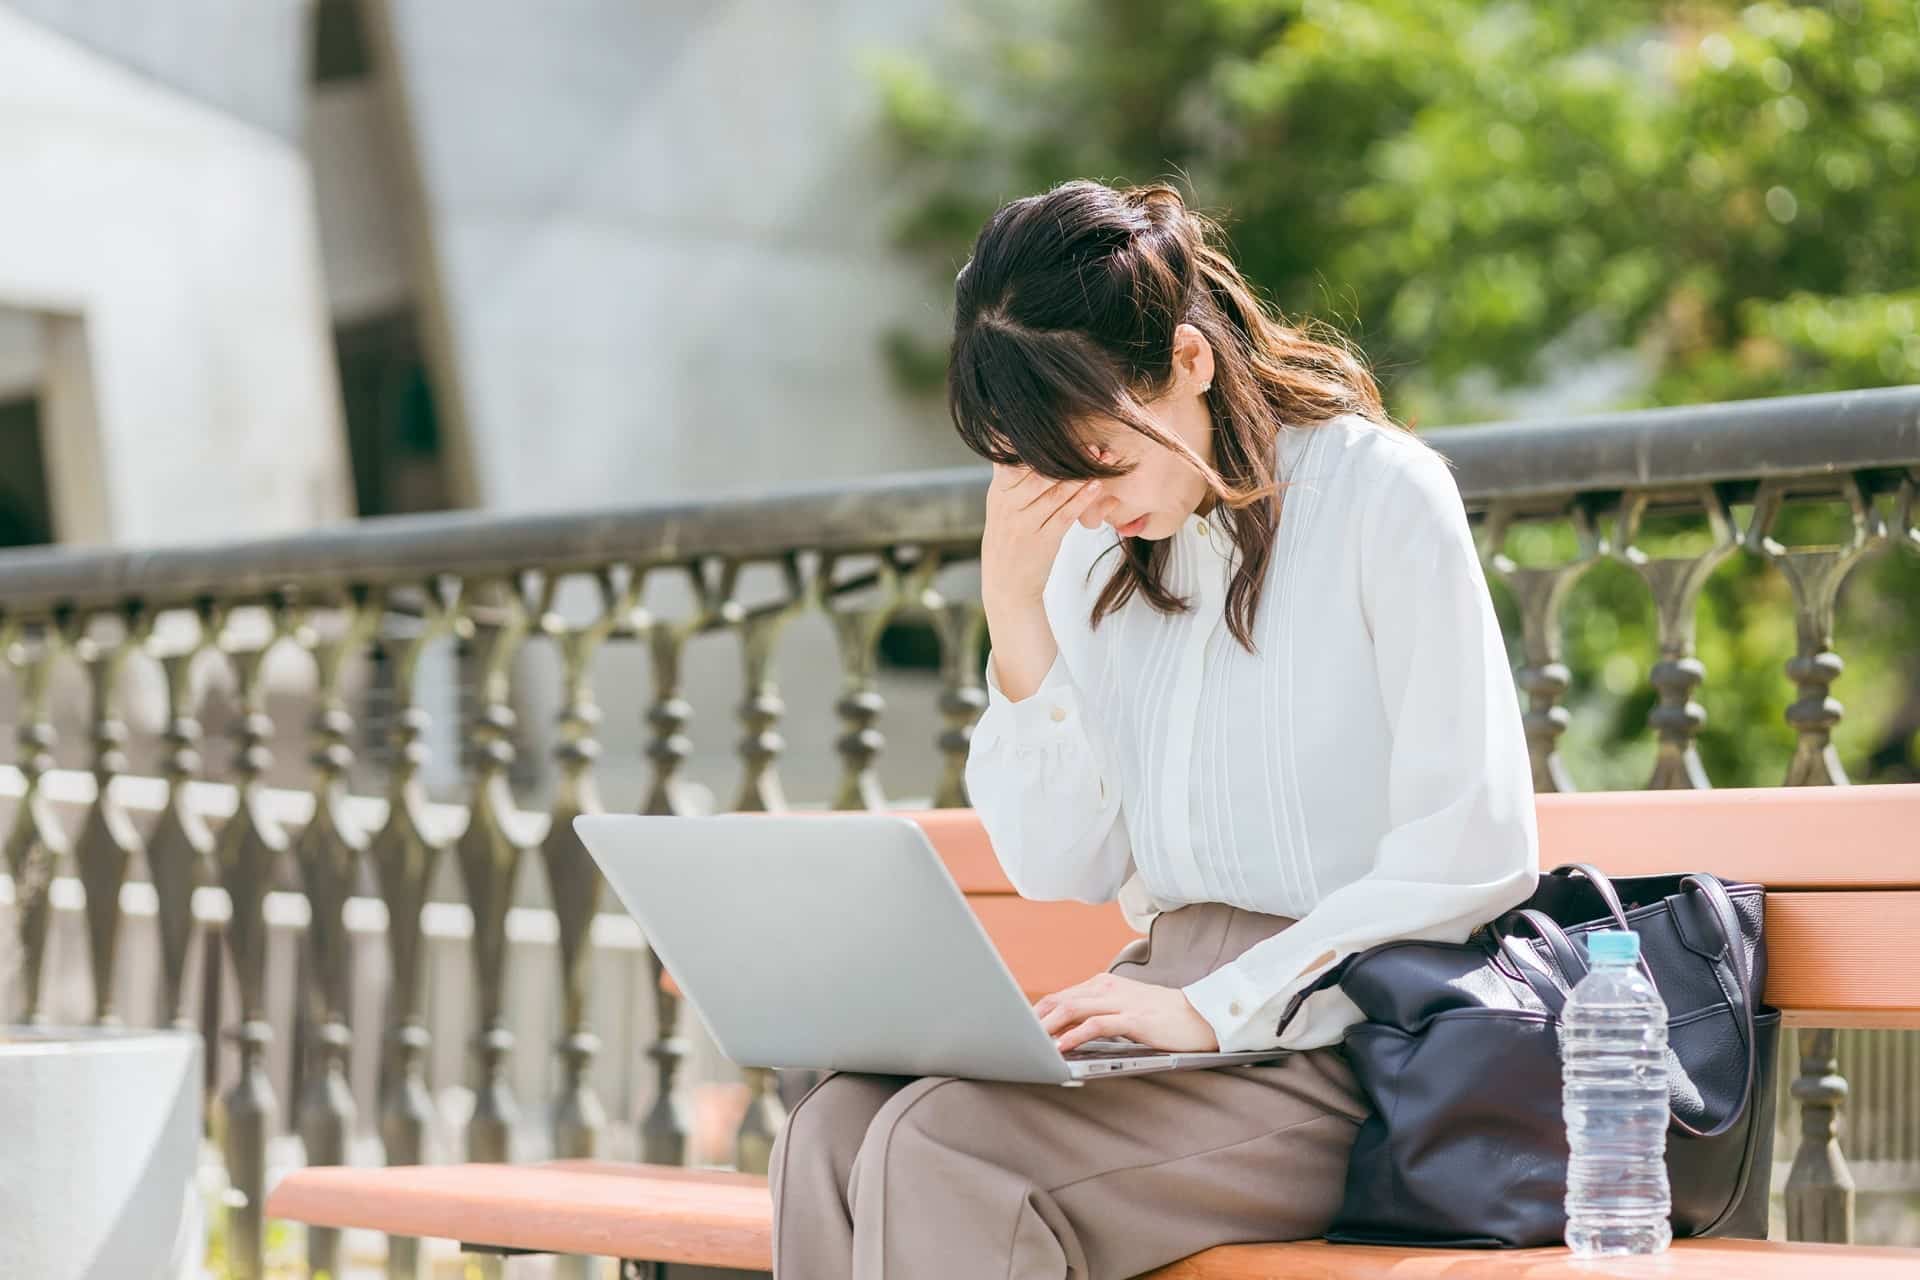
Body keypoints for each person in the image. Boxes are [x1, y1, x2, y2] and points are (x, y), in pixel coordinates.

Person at [768, 179, 1539, 1279]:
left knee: (947, 1153)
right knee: (833, 1127)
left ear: (1190, 363)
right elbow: (1061, 865)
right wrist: (1015, 615)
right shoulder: (1100, 546)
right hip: (1155, 1015)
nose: (1087, 504)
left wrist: (1212, 1003)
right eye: (1055, 474)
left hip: (1344, 1041)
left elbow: (1472, 848)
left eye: (1106, 463)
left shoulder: (1382, 497)